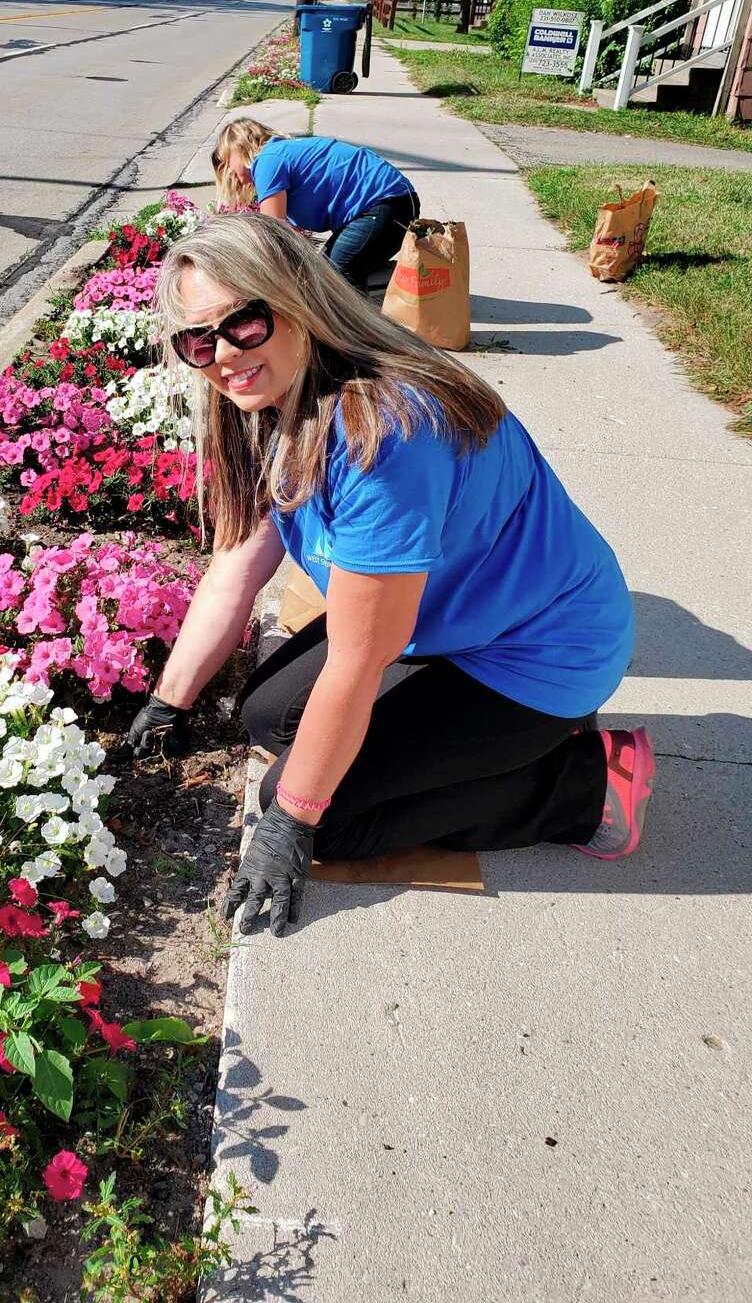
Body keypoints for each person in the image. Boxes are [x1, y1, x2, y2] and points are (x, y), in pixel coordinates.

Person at [119, 213, 655, 939]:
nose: (223, 355)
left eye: (243, 322)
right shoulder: (270, 395)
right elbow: (237, 563)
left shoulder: (386, 430)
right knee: (268, 716)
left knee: (320, 819)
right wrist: (167, 703)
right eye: (198, 341)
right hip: (460, 619)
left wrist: (292, 821)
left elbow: (360, 657)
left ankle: (581, 786)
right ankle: (504, 743)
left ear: (298, 298)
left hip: (543, 651)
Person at [211, 117, 419, 292]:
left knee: (332, 280)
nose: (227, 172)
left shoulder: (267, 161)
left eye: (226, 160)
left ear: (240, 147)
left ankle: (357, 328)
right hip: (393, 204)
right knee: (330, 273)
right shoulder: (280, 154)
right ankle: (407, 283)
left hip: (384, 205)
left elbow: (272, 233)